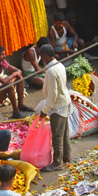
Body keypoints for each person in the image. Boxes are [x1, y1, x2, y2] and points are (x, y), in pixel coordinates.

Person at [39, 44, 72, 172]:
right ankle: (66, 156)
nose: (41, 59)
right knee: (64, 132)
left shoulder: (51, 71)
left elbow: (52, 95)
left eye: (41, 56)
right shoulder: (59, 65)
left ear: (45, 56)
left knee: (57, 135)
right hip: (64, 102)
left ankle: (57, 163)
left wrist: (44, 111)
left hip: (58, 105)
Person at [0, 45, 34, 119]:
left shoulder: (2, 63)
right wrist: (14, 75)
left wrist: (13, 78)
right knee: (9, 85)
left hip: (1, 90)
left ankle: (21, 104)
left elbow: (19, 71)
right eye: (2, 54)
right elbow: (4, 81)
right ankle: (16, 112)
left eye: (4, 54)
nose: (4, 56)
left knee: (19, 78)